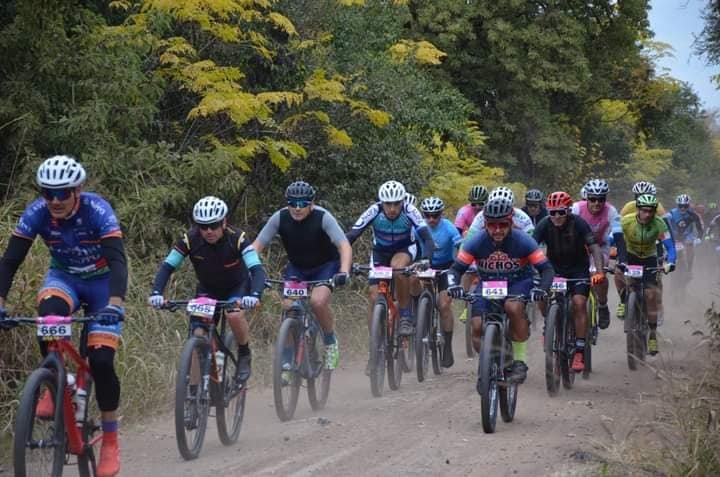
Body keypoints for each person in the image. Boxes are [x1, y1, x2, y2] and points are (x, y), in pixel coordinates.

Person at [0, 156, 127, 477]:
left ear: (78, 190)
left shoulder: (98, 211)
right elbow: (9, 262)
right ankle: (56, 384)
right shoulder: (36, 213)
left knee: (100, 361)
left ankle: (110, 440)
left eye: (63, 193)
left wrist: (114, 303)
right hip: (65, 279)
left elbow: (117, 261)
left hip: (101, 287)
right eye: (48, 193)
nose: (55, 200)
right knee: (48, 315)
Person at [149, 196, 267, 383]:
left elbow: (256, 269)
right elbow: (167, 266)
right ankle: (195, 395)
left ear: (224, 222)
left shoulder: (238, 238)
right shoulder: (190, 239)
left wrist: (255, 295)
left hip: (237, 287)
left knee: (234, 315)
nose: (209, 231)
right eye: (203, 227)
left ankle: (244, 353)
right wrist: (156, 293)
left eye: (214, 225)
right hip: (208, 289)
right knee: (198, 335)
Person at [446, 194, 554, 385]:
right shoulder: (476, 241)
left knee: (513, 308)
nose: (497, 230)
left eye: (502, 225)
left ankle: (519, 361)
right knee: (477, 327)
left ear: (511, 222)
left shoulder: (523, 240)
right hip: (487, 284)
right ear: (485, 224)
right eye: (492, 225)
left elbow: (546, 269)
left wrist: (542, 290)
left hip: (517, 282)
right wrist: (453, 285)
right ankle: (490, 362)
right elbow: (456, 269)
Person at [252, 181, 351, 370]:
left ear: (311, 203)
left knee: (317, 302)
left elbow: (343, 245)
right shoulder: (279, 217)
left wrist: (344, 271)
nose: (297, 209)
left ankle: (330, 342)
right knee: (289, 307)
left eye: (302, 204)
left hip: (325, 266)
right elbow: (257, 245)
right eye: (292, 204)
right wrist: (250, 269)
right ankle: (288, 361)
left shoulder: (323, 217)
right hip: (298, 268)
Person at [347, 180, 434, 339]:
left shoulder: (410, 210)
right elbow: (352, 235)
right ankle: (374, 344)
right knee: (374, 297)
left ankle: (405, 316)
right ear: (382, 202)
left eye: (396, 204)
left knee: (398, 268)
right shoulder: (374, 210)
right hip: (380, 252)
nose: (392, 209)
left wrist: (426, 258)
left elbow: (428, 239)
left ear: (403, 201)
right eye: (388, 204)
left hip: (405, 249)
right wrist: (341, 260)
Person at [534, 191, 605, 372]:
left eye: (561, 212)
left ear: (568, 211)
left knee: (579, 303)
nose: (556, 217)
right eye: (552, 213)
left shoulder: (579, 223)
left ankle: (580, 350)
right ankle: (547, 325)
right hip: (553, 269)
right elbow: (530, 248)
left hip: (578, 269)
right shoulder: (544, 224)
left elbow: (594, 247)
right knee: (540, 294)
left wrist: (599, 271)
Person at [615, 194, 676, 355]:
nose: (647, 214)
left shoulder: (659, 224)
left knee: (650, 295)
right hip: (630, 256)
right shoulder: (626, 221)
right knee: (620, 275)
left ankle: (653, 336)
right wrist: (614, 255)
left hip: (649, 258)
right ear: (638, 210)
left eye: (651, 211)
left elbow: (670, 247)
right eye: (644, 210)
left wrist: (670, 262)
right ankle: (626, 303)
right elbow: (612, 239)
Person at [571, 179, 625, 328]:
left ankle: (602, 305)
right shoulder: (576, 208)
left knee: (598, 275)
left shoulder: (611, 211)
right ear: (586, 198)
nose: (596, 203)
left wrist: (623, 259)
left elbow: (619, 236)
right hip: (578, 247)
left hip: (600, 246)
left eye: (601, 199)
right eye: (592, 199)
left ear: (605, 199)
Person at [415, 196, 462, 367]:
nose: (431, 219)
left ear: (441, 215)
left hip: (445, 269)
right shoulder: (419, 228)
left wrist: (461, 263)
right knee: (419, 293)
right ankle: (420, 320)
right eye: (427, 215)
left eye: (435, 216)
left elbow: (460, 246)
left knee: (443, 305)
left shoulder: (449, 228)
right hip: (425, 267)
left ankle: (447, 347)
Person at [464, 186, 535, 240]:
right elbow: (468, 240)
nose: (498, 215)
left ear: (512, 209)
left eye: (504, 210)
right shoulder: (480, 216)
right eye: (494, 209)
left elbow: (533, 241)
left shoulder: (523, 218)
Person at [665, 194, 703, 275]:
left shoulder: (693, 214)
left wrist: (699, 238)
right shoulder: (671, 213)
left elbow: (699, 227)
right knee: (666, 250)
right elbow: (663, 223)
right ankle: (666, 267)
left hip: (687, 236)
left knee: (690, 248)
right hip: (674, 237)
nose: (683, 208)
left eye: (685, 206)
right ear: (677, 205)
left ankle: (689, 269)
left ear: (688, 205)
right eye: (681, 206)